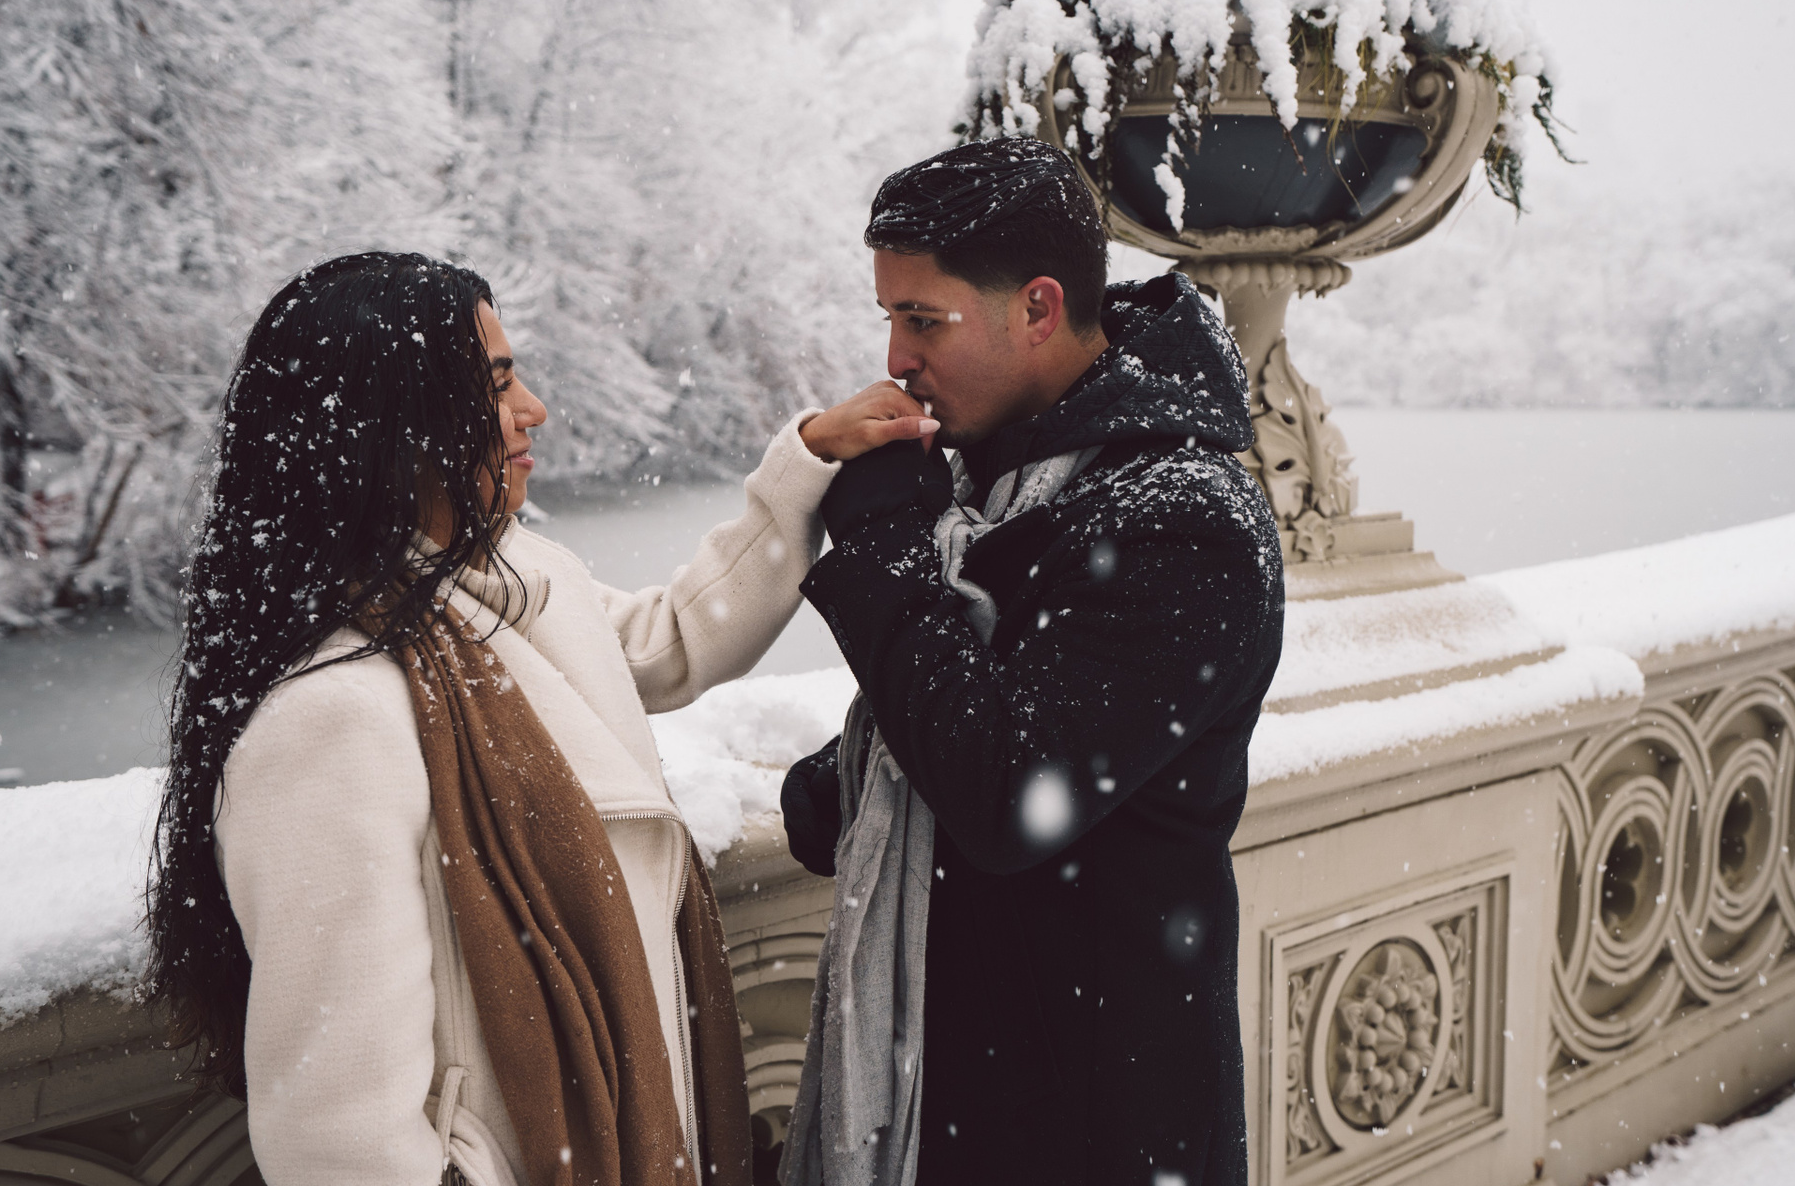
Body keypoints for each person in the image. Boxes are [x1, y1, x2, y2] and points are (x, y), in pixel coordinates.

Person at [144, 251, 934, 1186]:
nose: (534, 411)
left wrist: (811, 459)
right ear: (397, 426)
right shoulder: (332, 715)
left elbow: (671, 640)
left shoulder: (508, 577)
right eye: (497, 385)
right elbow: (337, 1137)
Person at [778, 139, 1285, 1186]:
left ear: (1040, 308)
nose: (896, 357)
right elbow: (975, 713)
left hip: (1096, 1115)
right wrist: (848, 777)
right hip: (980, 1094)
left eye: (924, 319)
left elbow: (1015, 794)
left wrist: (883, 546)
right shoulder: (1006, 483)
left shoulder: (1183, 520)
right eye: (890, 317)